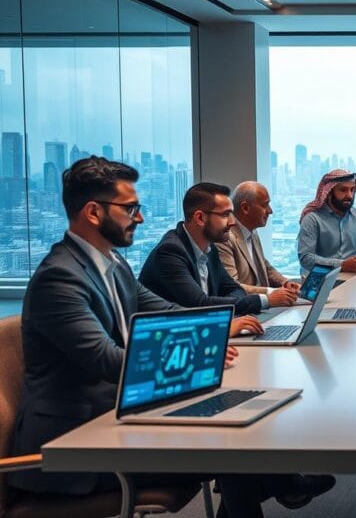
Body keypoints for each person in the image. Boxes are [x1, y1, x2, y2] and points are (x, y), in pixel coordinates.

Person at [8, 157, 333, 516]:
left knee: (241, 435)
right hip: (75, 446)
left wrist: (208, 334)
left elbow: (167, 310)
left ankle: (279, 482)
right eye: (130, 208)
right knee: (236, 451)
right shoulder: (61, 278)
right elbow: (107, 360)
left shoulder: (113, 265)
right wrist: (200, 353)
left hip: (122, 416)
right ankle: (282, 483)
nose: (141, 217)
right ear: (93, 213)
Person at [140, 182, 296, 319]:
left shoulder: (209, 248)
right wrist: (266, 300)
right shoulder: (170, 252)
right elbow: (200, 304)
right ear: (200, 218)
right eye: (225, 215)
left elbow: (234, 288)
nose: (232, 222)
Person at [217, 181, 301, 300]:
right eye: (265, 205)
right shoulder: (225, 238)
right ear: (245, 208)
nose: (270, 211)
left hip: (266, 305)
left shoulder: (252, 231)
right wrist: (272, 293)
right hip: (247, 310)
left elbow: (265, 267)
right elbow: (233, 287)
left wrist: (285, 283)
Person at [297, 170, 356, 274]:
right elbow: (306, 258)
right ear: (329, 193)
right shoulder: (312, 219)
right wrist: (341, 265)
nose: (349, 195)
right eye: (343, 190)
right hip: (320, 280)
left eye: (352, 190)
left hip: (352, 278)